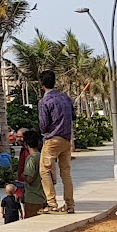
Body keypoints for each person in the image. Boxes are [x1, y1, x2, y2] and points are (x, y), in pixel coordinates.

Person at [37, 70, 76, 213]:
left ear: (42, 84)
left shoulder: (44, 101)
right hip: (66, 139)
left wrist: (44, 131)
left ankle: (52, 203)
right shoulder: (65, 97)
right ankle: (70, 204)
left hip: (53, 139)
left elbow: (43, 124)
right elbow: (73, 116)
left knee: (45, 171)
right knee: (66, 173)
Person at [20, 130, 47, 218]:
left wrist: (22, 175)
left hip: (32, 198)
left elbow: (29, 178)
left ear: (26, 144)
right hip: (43, 197)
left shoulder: (31, 159)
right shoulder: (42, 156)